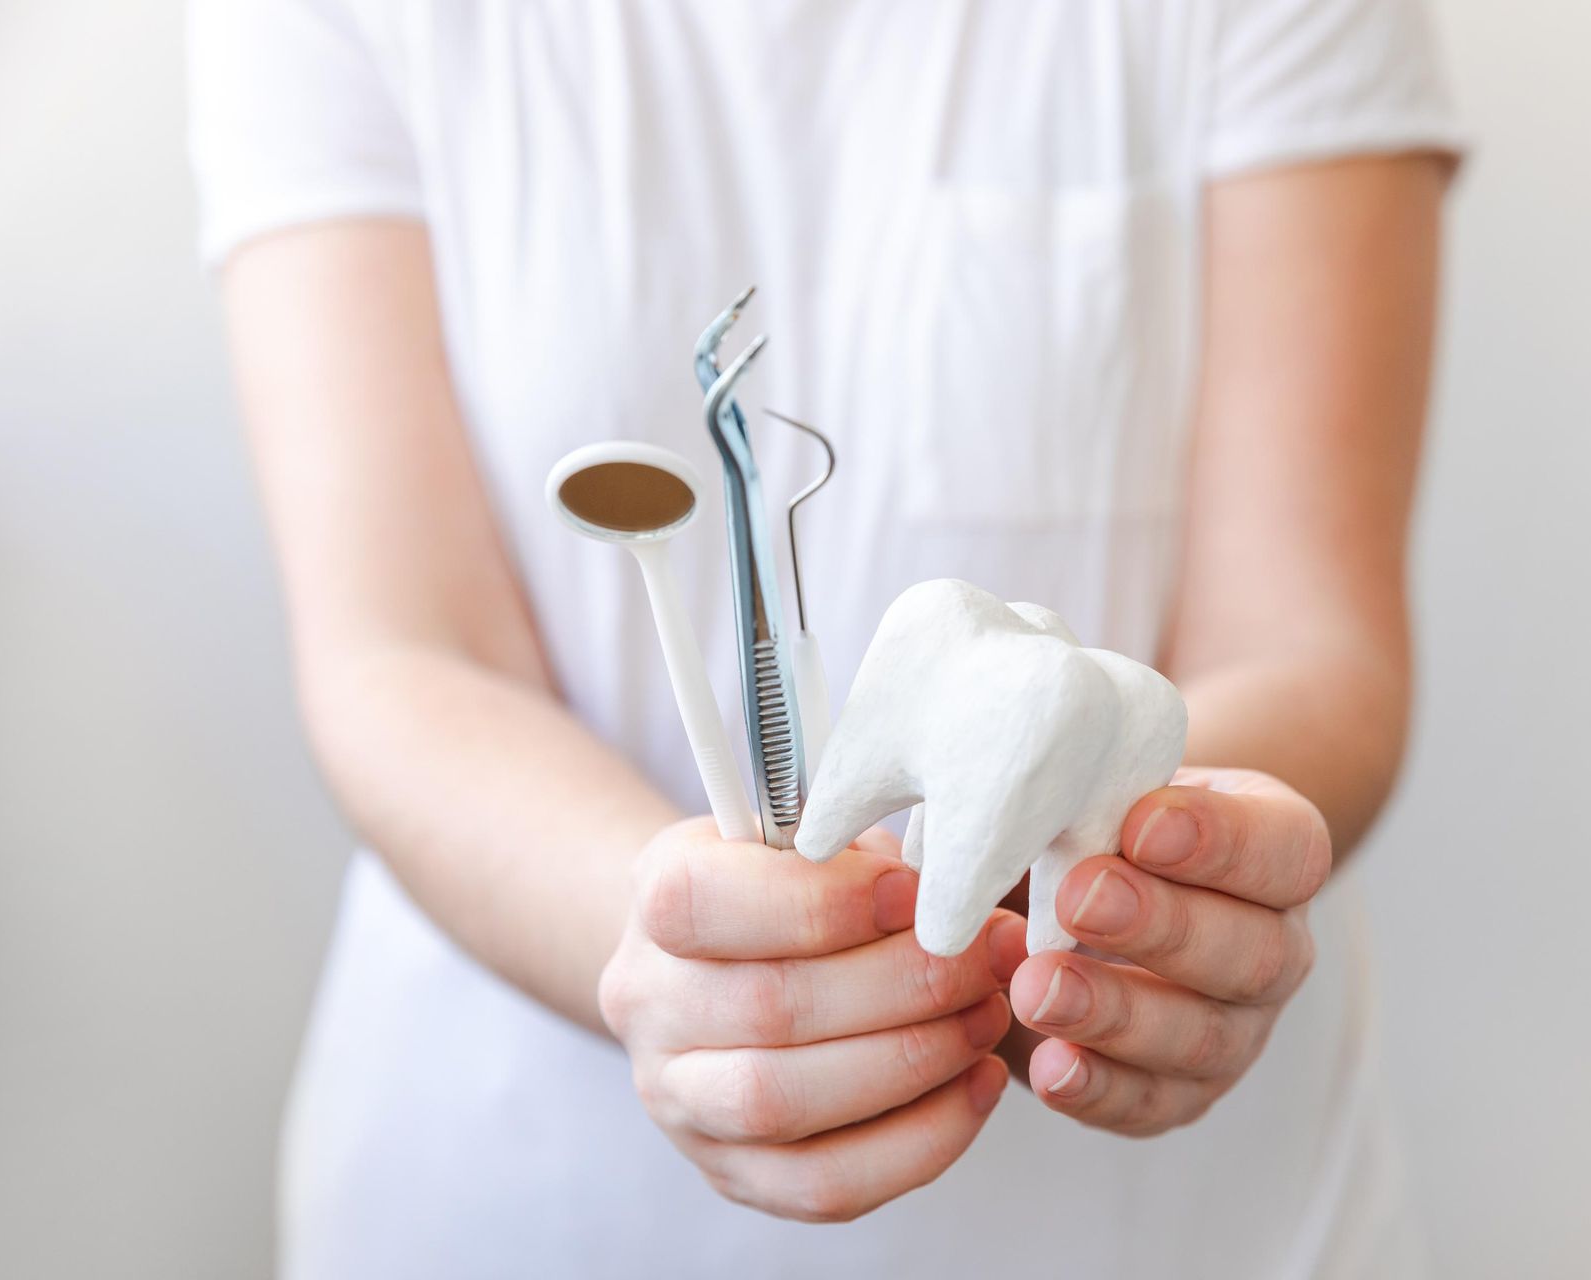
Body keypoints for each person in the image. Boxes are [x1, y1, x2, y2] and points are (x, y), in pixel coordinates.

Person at [189, 0, 1461, 1274]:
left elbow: (1313, 640)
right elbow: (403, 655)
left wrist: (1114, 882)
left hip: (1176, 1222)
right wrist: (669, 953)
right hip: (519, 1193)